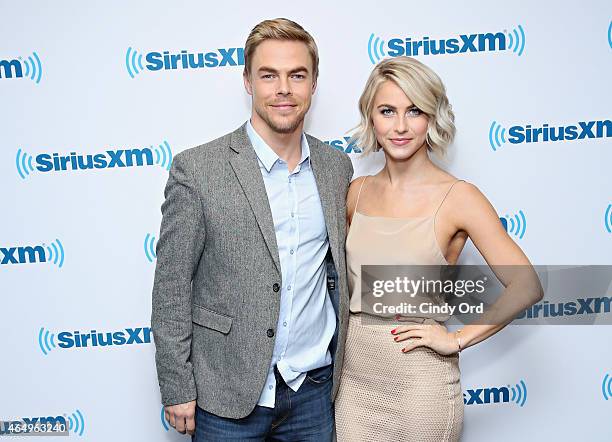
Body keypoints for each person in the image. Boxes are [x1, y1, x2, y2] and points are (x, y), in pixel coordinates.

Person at [151, 18, 353, 441]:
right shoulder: (199, 169)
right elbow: (171, 287)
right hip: (225, 394)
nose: (283, 88)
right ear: (248, 81)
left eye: (297, 75)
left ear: (314, 83)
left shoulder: (337, 168)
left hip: (313, 393)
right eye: (269, 75)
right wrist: (176, 387)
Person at [334, 56, 543, 441]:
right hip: (355, 386)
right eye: (387, 111)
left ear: (432, 117)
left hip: (420, 385)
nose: (400, 126)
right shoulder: (356, 192)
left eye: (414, 111)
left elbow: (527, 285)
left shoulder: (459, 197)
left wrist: (456, 339)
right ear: (371, 117)